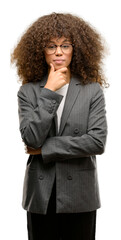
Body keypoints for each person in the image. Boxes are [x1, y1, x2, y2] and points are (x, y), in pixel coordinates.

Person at [11, 12, 108, 240]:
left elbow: (97, 141)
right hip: (41, 194)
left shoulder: (92, 89)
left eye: (65, 45)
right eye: (51, 46)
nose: (58, 52)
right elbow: (31, 139)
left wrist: (46, 150)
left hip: (80, 194)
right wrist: (49, 92)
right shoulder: (29, 91)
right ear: (40, 50)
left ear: (77, 49)